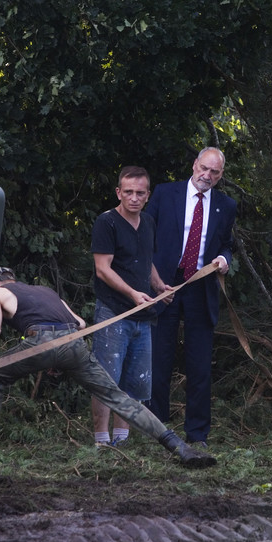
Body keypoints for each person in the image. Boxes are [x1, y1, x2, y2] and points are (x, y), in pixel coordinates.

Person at [0, 267, 216, 468]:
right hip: (73, 343)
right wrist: (57, 356)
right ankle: (179, 447)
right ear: (13, 278)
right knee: (117, 396)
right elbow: (79, 322)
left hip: (41, 342)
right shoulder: (44, 290)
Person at [145, 147, 237, 446]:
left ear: (221, 176)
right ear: (194, 164)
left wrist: (224, 259)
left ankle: (197, 434)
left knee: (199, 366)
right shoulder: (164, 193)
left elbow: (226, 244)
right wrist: (155, 282)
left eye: (214, 172)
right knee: (159, 360)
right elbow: (145, 237)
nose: (207, 176)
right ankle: (157, 429)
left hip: (201, 288)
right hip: (164, 287)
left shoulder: (226, 205)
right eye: (204, 168)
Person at [90, 166, 166, 447]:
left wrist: (158, 286)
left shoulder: (147, 221)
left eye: (140, 193)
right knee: (105, 379)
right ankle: (101, 441)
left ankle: (122, 441)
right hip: (113, 311)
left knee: (135, 381)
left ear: (147, 195)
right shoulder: (106, 222)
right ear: (119, 192)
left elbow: (146, 260)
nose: (134, 198)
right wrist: (134, 293)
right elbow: (102, 269)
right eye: (129, 192)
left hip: (142, 313)